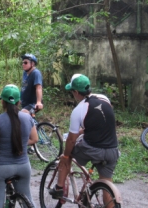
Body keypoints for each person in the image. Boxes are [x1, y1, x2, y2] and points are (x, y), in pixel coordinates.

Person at [50, 74, 120, 206]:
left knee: (67, 155)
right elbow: (100, 122)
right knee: (107, 182)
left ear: (76, 92)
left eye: (72, 92)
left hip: (92, 149)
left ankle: (59, 188)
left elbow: (71, 140)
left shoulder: (79, 110)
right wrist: (83, 131)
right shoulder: (104, 99)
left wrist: (65, 155)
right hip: (112, 150)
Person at [0, 84, 38, 208]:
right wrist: (20, 142)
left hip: (2, 167)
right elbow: (35, 139)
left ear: (2, 101)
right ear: (19, 102)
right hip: (23, 167)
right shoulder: (27, 118)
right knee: (27, 200)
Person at [20, 53, 43, 154]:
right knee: (28, 122)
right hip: (25, 103)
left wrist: (38, 102)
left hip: (33, 104)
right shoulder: (25, 73)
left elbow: (38, 87)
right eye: (22, 62)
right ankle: (33, 147)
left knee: (22, 116)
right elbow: (24, 88)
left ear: (32, 64)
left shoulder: (36, 73)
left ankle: (28, 142)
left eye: (25, 62)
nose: (23, 64)